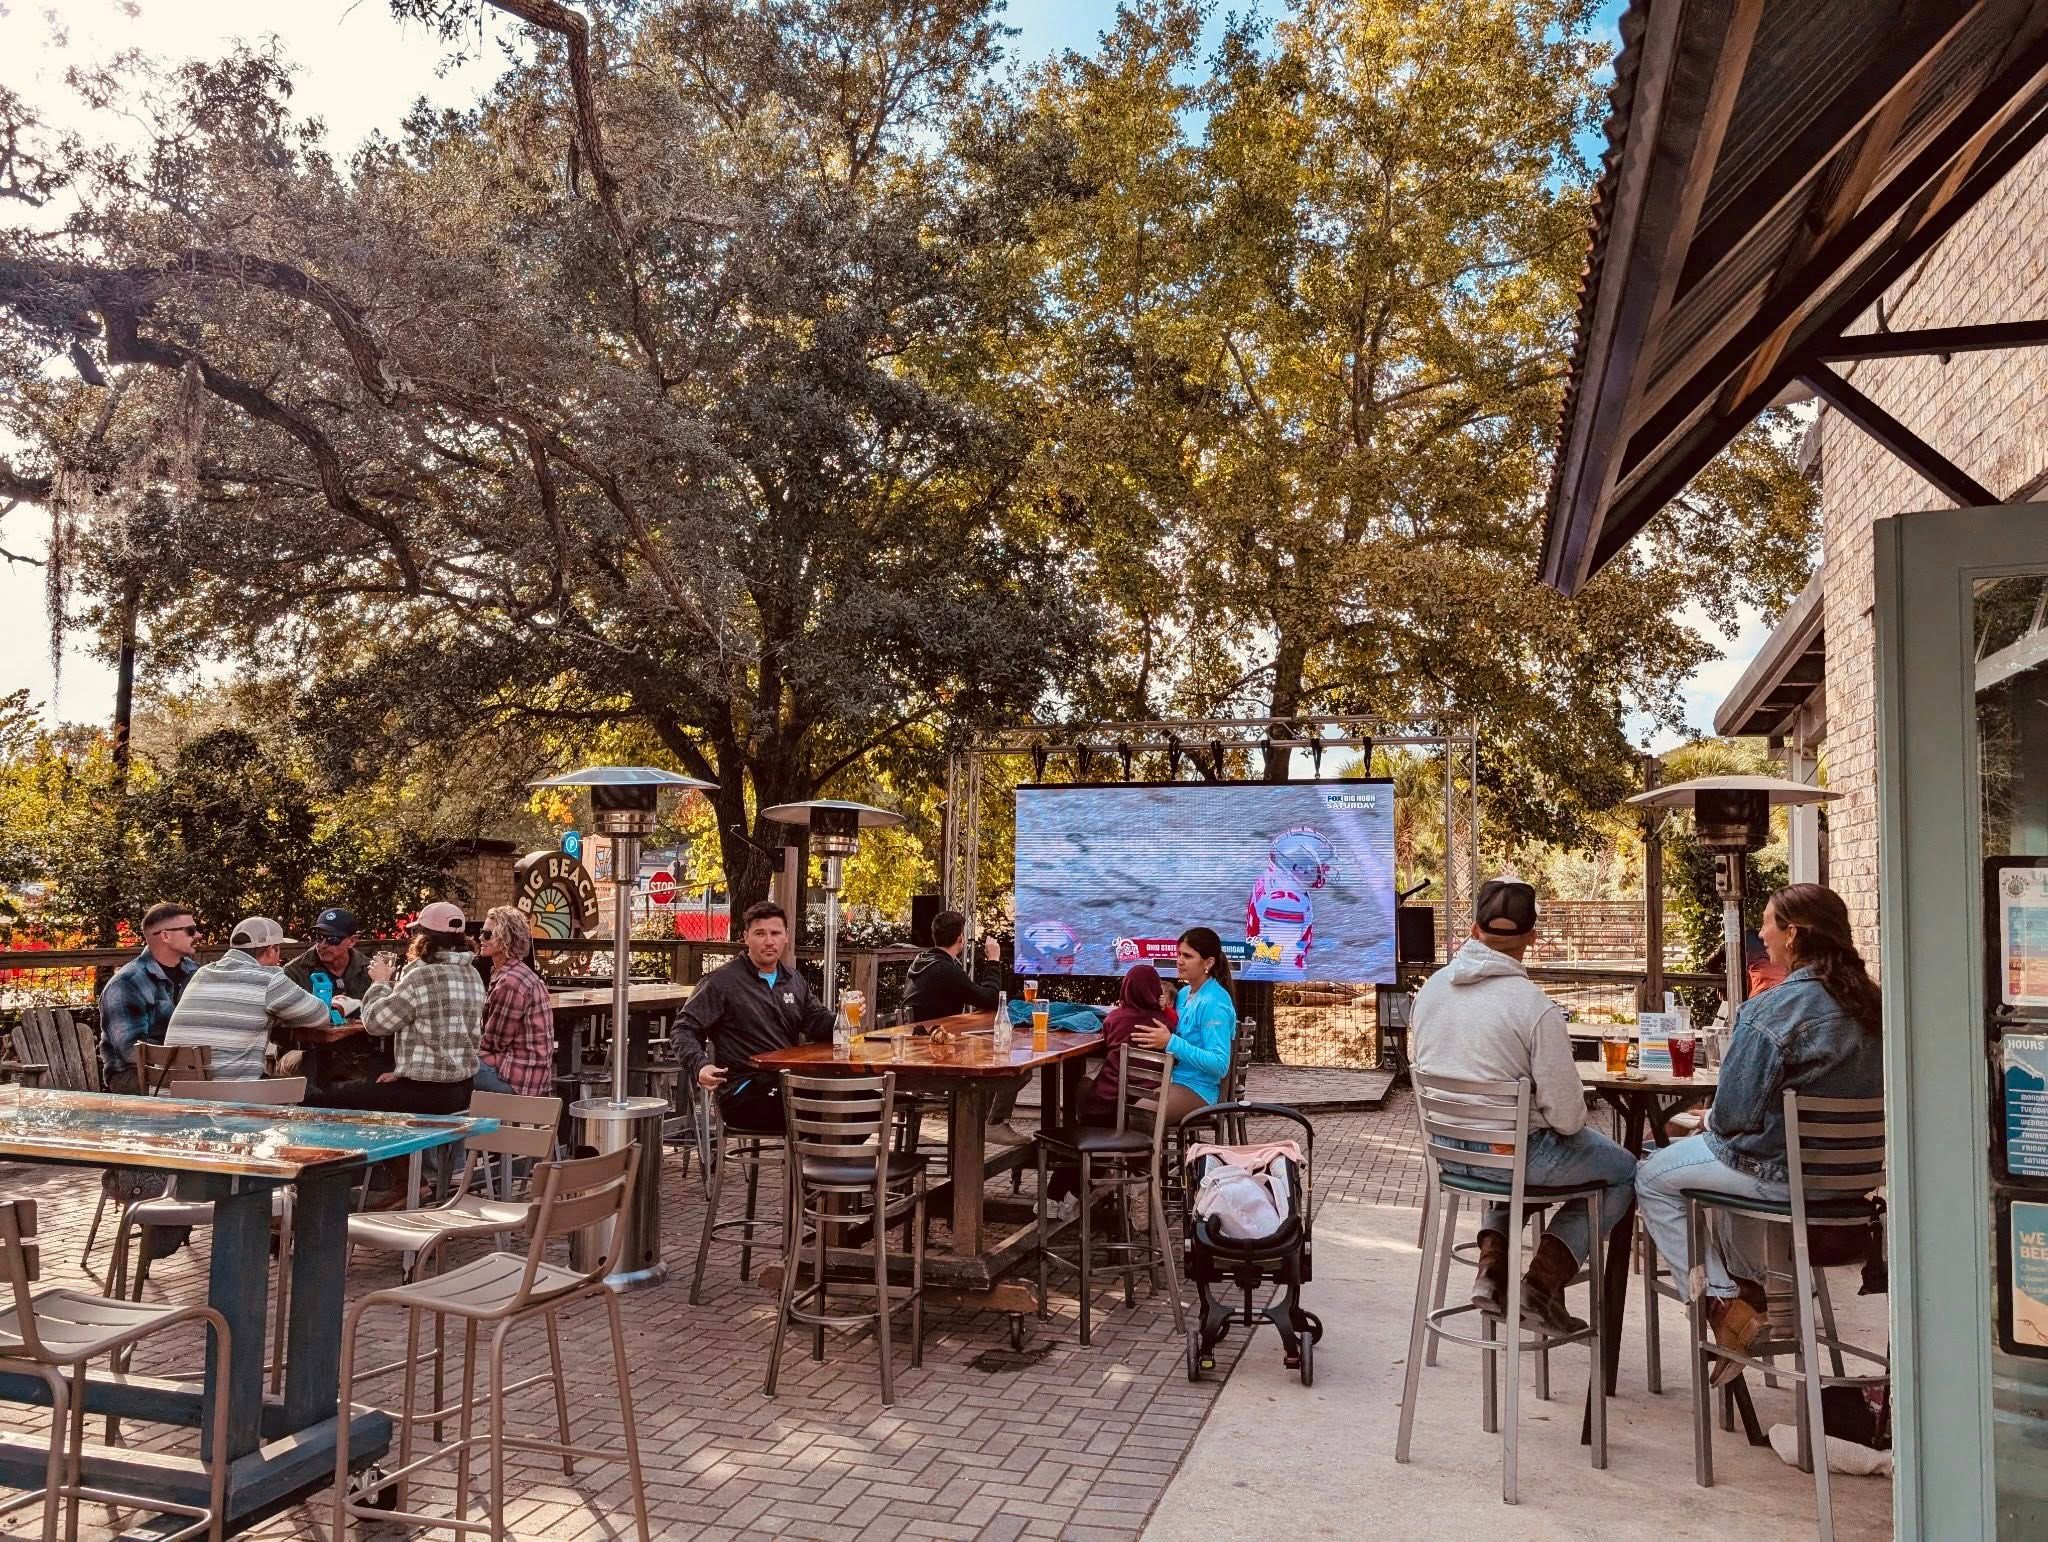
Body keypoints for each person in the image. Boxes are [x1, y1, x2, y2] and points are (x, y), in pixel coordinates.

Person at [1635, 882, 1884, 1375]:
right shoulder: (1875, 1005)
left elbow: (1732, 1117)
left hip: (1779, 1177)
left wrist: (1709, 1119)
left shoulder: (1774, 1008)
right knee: (1721, 1170)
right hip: (1854, 1187)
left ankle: (1726, 1304)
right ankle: (1749, 1294)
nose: (1761, 934)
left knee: (1651, 1176)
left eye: (1768, 923)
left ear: (1792, 934)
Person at [1409, 878, 1636, 1333]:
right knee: (1626, 1170)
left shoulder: (1431, 991)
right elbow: (1569, 1120)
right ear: (1532, 938)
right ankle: (1541, 1283)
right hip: (1513, 1160)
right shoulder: (1535, 1008)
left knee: (1513, 1165)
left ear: (1474, 930)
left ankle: (1492, 1271)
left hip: (1450, 1156)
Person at [673, 900, 832, 1136]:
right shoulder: (721, 982)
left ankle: (813, 1169)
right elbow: (683, 1029)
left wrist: (844, 1021)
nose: (769, 941)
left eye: (776, 933)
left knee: (862, 1101)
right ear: (746, 937)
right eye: (760, 933)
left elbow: (816, 1021)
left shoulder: (793, 979)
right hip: (743, 1091)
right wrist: (701, 1065)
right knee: (824, 1109)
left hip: (787, 1082)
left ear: (786, 937)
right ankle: (807, 1169)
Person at [307, 900, 481, 1115]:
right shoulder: (472, 974)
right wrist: (404, 1071)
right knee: (374, 1082)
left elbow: (375, 1023)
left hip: (428, 1093)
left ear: (422, 937)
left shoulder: (421, 976)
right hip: (463, 1089)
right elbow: (446, 1037)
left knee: (319, 1101)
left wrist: (380, 982)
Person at [163, 916, 331, 1080]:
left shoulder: (203, 973)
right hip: (227, 1095)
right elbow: (320, 1016)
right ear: (271, 949)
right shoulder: (268, 979)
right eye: (278, 949)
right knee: (321, 1096)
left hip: (170, 1093)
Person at [1132, 927, 1237, 1130]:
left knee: (1142, 1116)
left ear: (1208, 963)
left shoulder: (1214, 1002)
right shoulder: (1185, 992)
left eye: (1187, 956)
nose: (1179, 960)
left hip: (1198, 1088)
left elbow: (1220, 1064)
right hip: (1171, 1079)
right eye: (1178, 954)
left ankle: (1151, 1163)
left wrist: (1171, 1042)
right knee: (1115, 1100)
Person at [98, 902, 201, 1091]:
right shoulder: (126, 983)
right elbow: (131, 1051)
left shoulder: (196, 974)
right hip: (132, 1075)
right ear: (165, 936)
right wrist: (190, 1056)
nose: (198, 935)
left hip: (187, 1068)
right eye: (191, 931)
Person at [473, 905, 556, 1096]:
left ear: (505, 939)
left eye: (487, 934)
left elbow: (494, 1043)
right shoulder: (516, 973)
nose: (480, 938)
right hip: (529, 1072)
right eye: (481, 932)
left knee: (452, 1068)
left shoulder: (510, 982)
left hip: (520, 1079)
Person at [903, 910, 1003, 1021]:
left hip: (912, 1032)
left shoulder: (920, 961)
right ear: (960, 938)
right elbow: (990, 999)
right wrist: (993, 960)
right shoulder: (945, 969)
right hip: (930, 1035)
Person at [283, 907, 373, 1019]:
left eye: (332, 939)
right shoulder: (294, 972)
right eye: (319, 937)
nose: (323, 945)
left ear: (351, 941)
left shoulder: (371, 970)